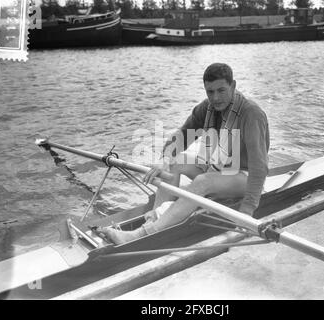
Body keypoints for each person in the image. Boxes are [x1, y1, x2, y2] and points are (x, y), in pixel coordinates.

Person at [98, 63, 270, 245]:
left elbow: (260, 168)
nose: (216, 98)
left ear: (233, 86)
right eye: (210, 92)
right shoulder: (208, 108)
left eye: (221, 90)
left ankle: (142, 235)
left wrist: (246, 213)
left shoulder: (252, 114)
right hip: (220, 169)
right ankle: (153, 220)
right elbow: (182, 135)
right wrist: (164, 160)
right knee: (175, 161)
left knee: (203, 182)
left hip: (246, 176)